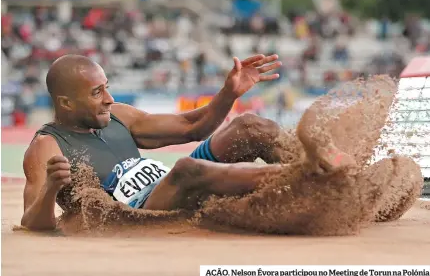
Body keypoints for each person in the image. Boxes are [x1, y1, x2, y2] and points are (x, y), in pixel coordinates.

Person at [20, 54, 351, 231]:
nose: (108, 98)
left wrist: (228, 94)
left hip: (168, 186)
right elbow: (32, 223)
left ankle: (332, 167)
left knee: (248, 125)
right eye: (97, 93)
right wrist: (50, 188)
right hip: (138, 213)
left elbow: (192, 126)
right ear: (65, 103)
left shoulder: (118, 115)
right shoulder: (47, 146)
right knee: (187, 168)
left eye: (106, 87)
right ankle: (310, 178)